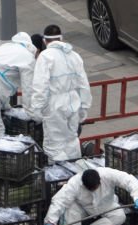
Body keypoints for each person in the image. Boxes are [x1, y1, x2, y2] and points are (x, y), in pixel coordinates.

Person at [29, 25, 91, 162]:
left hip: (54, 106)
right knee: (72, 140)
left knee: (54, 145)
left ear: (45, 41)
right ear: (61, 38)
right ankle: (75, 171)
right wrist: (84, 107)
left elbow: (40, 86)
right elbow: (84, 84)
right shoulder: (74, 56)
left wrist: (37, 109)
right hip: (73, 103)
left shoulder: (45, 57)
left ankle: (60, 177)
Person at [43, 168, 138, 225]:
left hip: (106, 205)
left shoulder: (107, 174)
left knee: (119, 216)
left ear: (99, 181)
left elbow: (127, 179)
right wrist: (50, 222)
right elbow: (60, 200)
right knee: (70, 210)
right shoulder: (74, 183)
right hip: (82, 207)